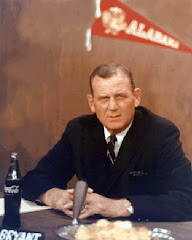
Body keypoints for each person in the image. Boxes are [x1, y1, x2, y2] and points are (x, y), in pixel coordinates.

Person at [21, 63, 192, 221]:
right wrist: (52, 195)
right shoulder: (79, 130)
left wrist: (118, 206)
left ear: (136, 97)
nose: (112, 107)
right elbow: (34, 179)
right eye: (103, 98)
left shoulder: (160, 133)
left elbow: (187, 199)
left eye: (120, 97)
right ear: (92, 103)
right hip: (89, 232)